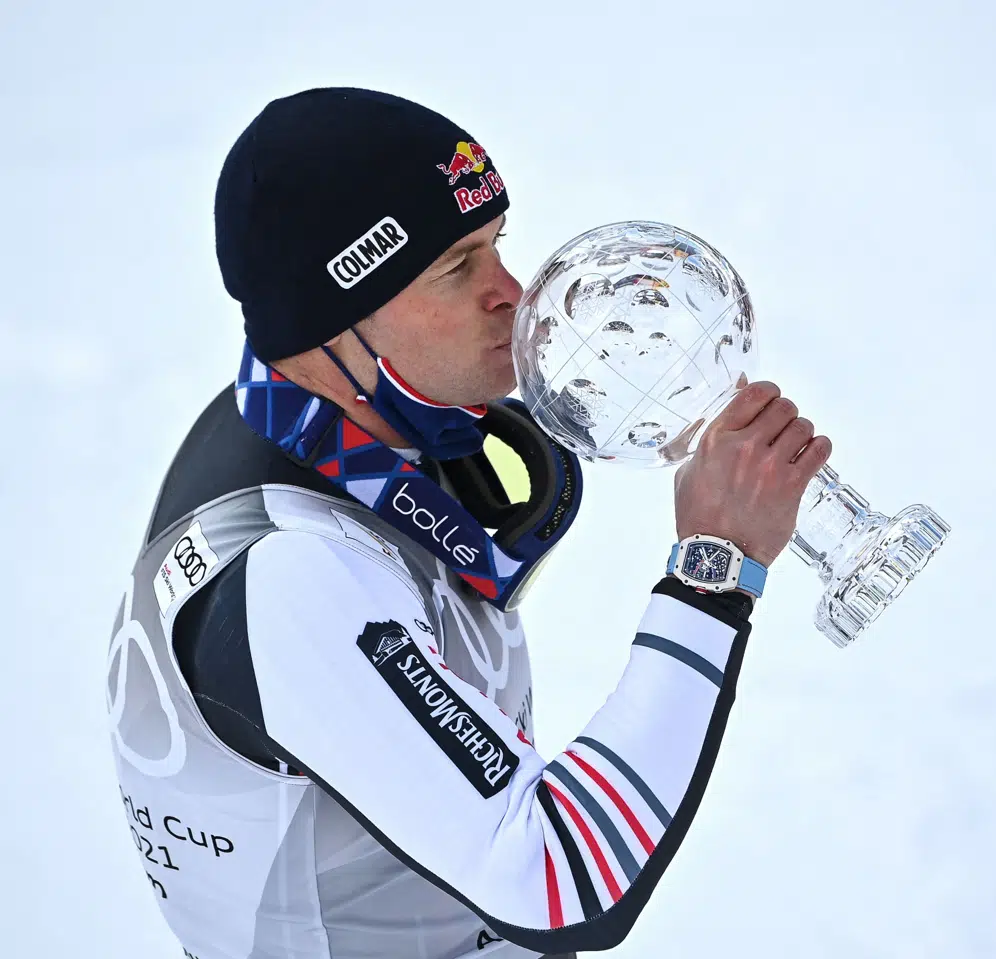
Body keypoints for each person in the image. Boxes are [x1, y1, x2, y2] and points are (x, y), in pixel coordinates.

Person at [104, 87, 831, 959]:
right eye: (457, 269)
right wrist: (713, 569)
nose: (515, 296)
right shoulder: (290, 575)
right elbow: (559, 879)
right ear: (333, 318)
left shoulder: (326, 425)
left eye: (497, 248)